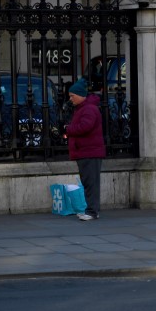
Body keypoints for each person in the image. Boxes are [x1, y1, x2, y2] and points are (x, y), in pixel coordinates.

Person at [66, 77, 105, 221]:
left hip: (90, 152)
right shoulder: (83, 108)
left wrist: (68, 129)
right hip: (86, 151)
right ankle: (91, 210)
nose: (70, 99)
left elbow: (85, 127)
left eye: (72, 96)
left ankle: (92, 212)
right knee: (88, 182)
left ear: (81, 95)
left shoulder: (89, 109)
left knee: (91, 183)